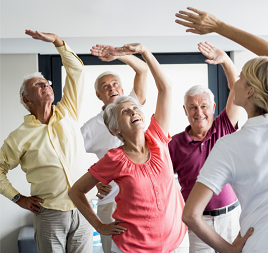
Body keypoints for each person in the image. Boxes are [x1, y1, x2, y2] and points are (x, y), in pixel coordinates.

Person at [176, 8, 268, 253]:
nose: (235, 81)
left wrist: (227, 250)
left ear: (249, 92)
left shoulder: (227, 145)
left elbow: (191, 214)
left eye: (242, 78)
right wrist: (218, 26)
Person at [69, 43, 187, 253]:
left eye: (135, 108)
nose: (134, 111)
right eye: (126, 111)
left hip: (172, 243)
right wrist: (98, 226)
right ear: (115, 129)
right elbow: (76, 191)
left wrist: (144, 51)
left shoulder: (157, 138)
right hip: (131, 247)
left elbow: (165, 88)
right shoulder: (115, 158)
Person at [0, 30, 92, 253]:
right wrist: (17, 197)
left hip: (84, 208)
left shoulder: (68, 112)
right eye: (38, 85)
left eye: (46, 82)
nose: (46, 85)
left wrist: (58, 43)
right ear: (27, 99)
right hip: (50, 212)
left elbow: (77, 71)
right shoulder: (19, 136)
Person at [168, 41, 241, 252]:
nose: (199, 112)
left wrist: (226, 61)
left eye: (204, 106)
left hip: (231, 217)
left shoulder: (224, 126)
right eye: (193, 107)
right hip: (200, 223)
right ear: (185, 110)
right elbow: (159, 179)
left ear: (213, 108)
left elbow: (237, 90)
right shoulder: (175, 144)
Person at [81, 45, 148, 253]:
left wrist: (120, 55)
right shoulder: (91, 127)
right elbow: (68, 157)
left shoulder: (133, 105)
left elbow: (143, 70)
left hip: (141, 199)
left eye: (115, 84)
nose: (112, 88)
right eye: (105, 86)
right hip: (111, 205)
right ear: (98, 95)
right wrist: (95, 179)